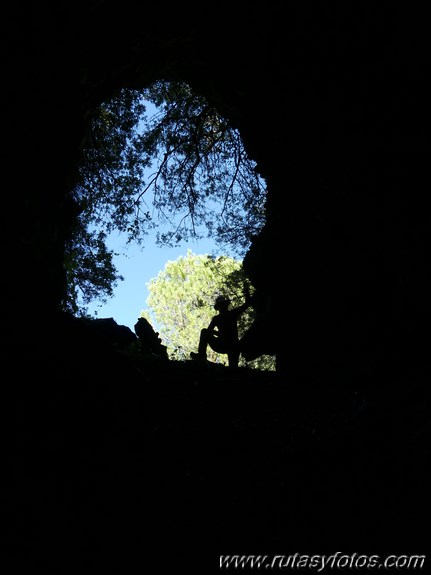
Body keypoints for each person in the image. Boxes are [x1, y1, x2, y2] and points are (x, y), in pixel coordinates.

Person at [190, 291, 252, 368]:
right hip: (221, 344)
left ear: (225, 305)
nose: (222, 307)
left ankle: (202, 356)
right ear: (218, 307)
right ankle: (201, 355)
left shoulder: (233, 313)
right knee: (204, 331)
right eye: (220, 305)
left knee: (233, 369)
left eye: (223, 305)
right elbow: (208, 331)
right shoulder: (217, 318)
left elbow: (247, 304)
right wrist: (218, 334)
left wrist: (247, 292)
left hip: (233, 345)